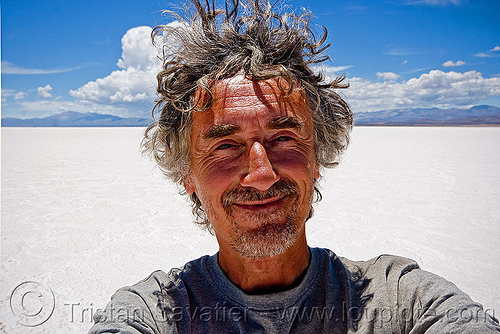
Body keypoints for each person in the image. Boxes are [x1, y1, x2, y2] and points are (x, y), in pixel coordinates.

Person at [89, 0, 499, 333]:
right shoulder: (157, 312)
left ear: (317, 157)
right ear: (188, 176)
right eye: (226, 145)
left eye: (283, 139)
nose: (262, 173)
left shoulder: (394, 299)